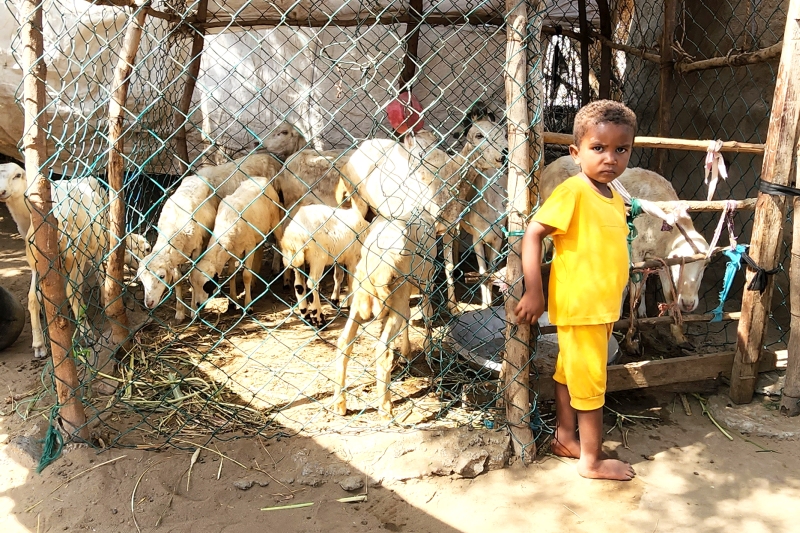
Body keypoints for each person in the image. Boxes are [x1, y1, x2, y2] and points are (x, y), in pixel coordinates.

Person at [515, 100, 637, 481]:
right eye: (598, 148)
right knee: (591, 386)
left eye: (621, 149)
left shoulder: (614, 195)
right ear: (575, 152)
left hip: (601, 308)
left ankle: (566, 439)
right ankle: (591, 460)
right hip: (583, 307)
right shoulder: (574, 190)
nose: (610, 158)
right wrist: (534, 290)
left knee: (571, 375)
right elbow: (534, 233)